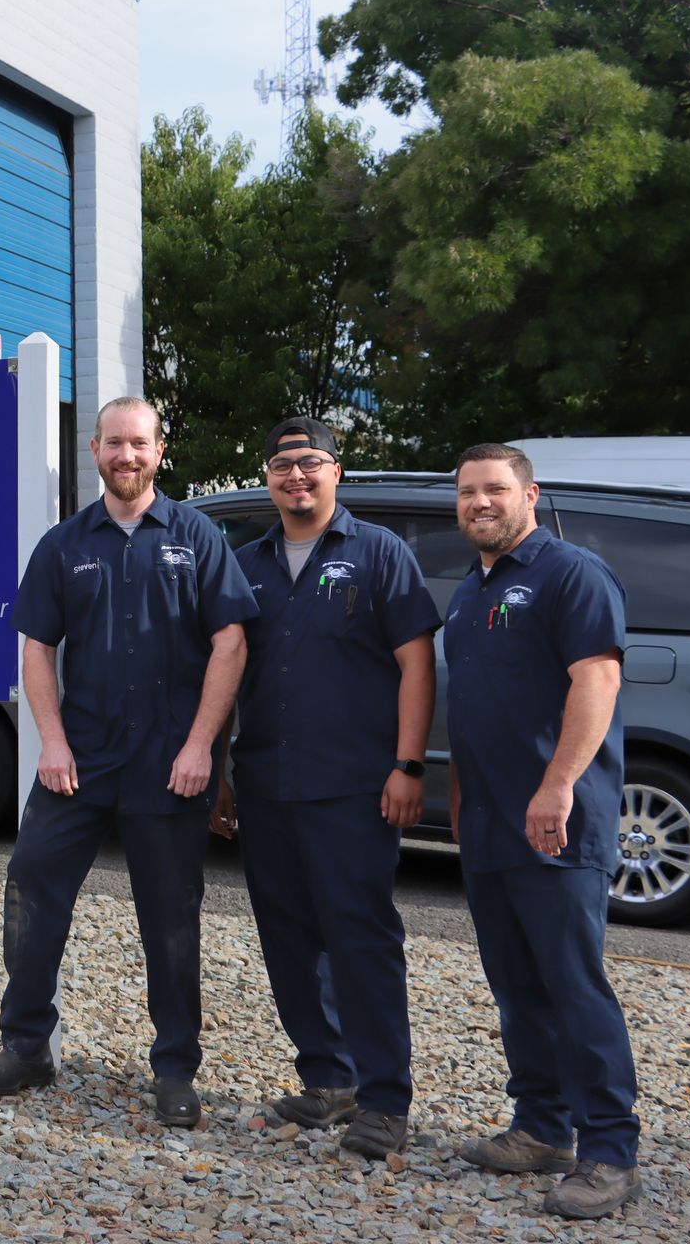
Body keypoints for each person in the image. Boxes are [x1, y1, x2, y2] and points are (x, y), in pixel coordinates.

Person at [0, 396, 257, 1128]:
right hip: (80, 764)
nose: (127, 456)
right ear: (94, 449)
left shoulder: (198, 537)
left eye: (140, 444)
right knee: (32, 886)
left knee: (170, 920)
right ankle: (27, 1046)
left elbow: (231, 642)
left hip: (169, 766)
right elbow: (36, 648)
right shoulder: (64, 545)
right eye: (115, 444)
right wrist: (52, 741)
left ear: (161, 450)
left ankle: (175, 1070)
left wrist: (200, 748)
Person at [210, 418, 439, 1159]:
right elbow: (224, 669)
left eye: (311, 462)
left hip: (354, 786)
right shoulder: (244, 562)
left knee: (360, 938)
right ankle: (327, 1078)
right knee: (287, 936)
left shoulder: (378, 554)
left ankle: (383, 1101)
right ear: (268, 476)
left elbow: (416, 664)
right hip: (267, 780)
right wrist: (219, 770)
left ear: (337, 471)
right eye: (282, 464)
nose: (296, 476)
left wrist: (409, 766)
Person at [445, 442, 641, 1220]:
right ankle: (540, 1127)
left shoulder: (572, 575)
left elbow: (597, 680)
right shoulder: (471, 590)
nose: (479, 502)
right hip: (489, 822)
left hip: (557, 821)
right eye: (467, 492)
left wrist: (558, 785)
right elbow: (474, 707)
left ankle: (609, 1152)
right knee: (517, 983)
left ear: (530, 493)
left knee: (571, 985)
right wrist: (459, 798)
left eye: (495, 488)